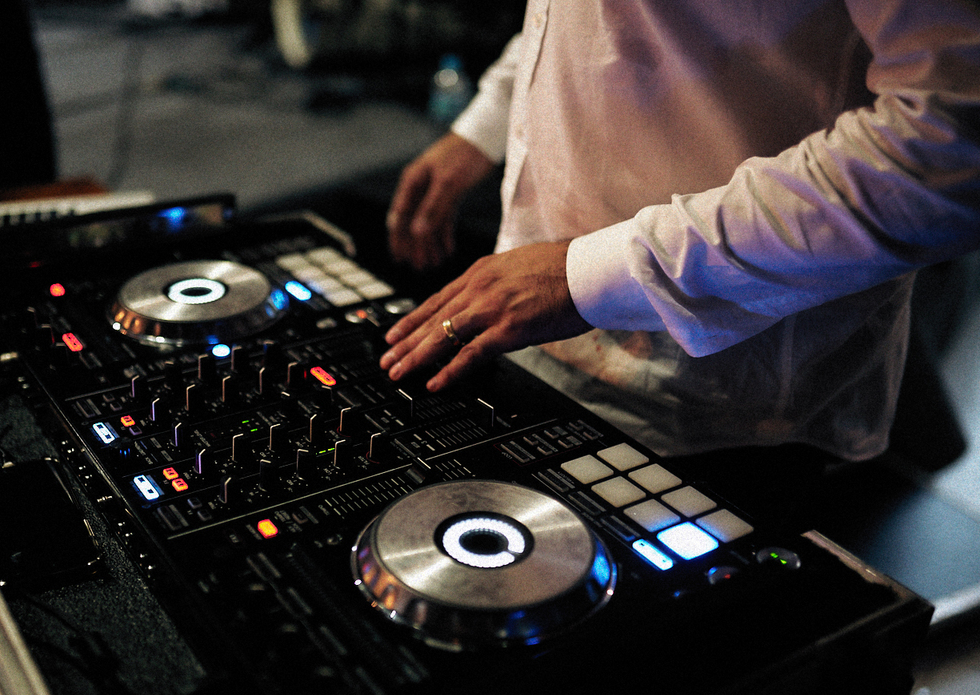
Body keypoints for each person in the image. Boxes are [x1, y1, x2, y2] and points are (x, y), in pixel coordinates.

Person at [380, 0, 980, 495]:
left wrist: (586, 276)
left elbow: (949, 150)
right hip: (541, 326)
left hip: (717, 394)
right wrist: (488, 122)